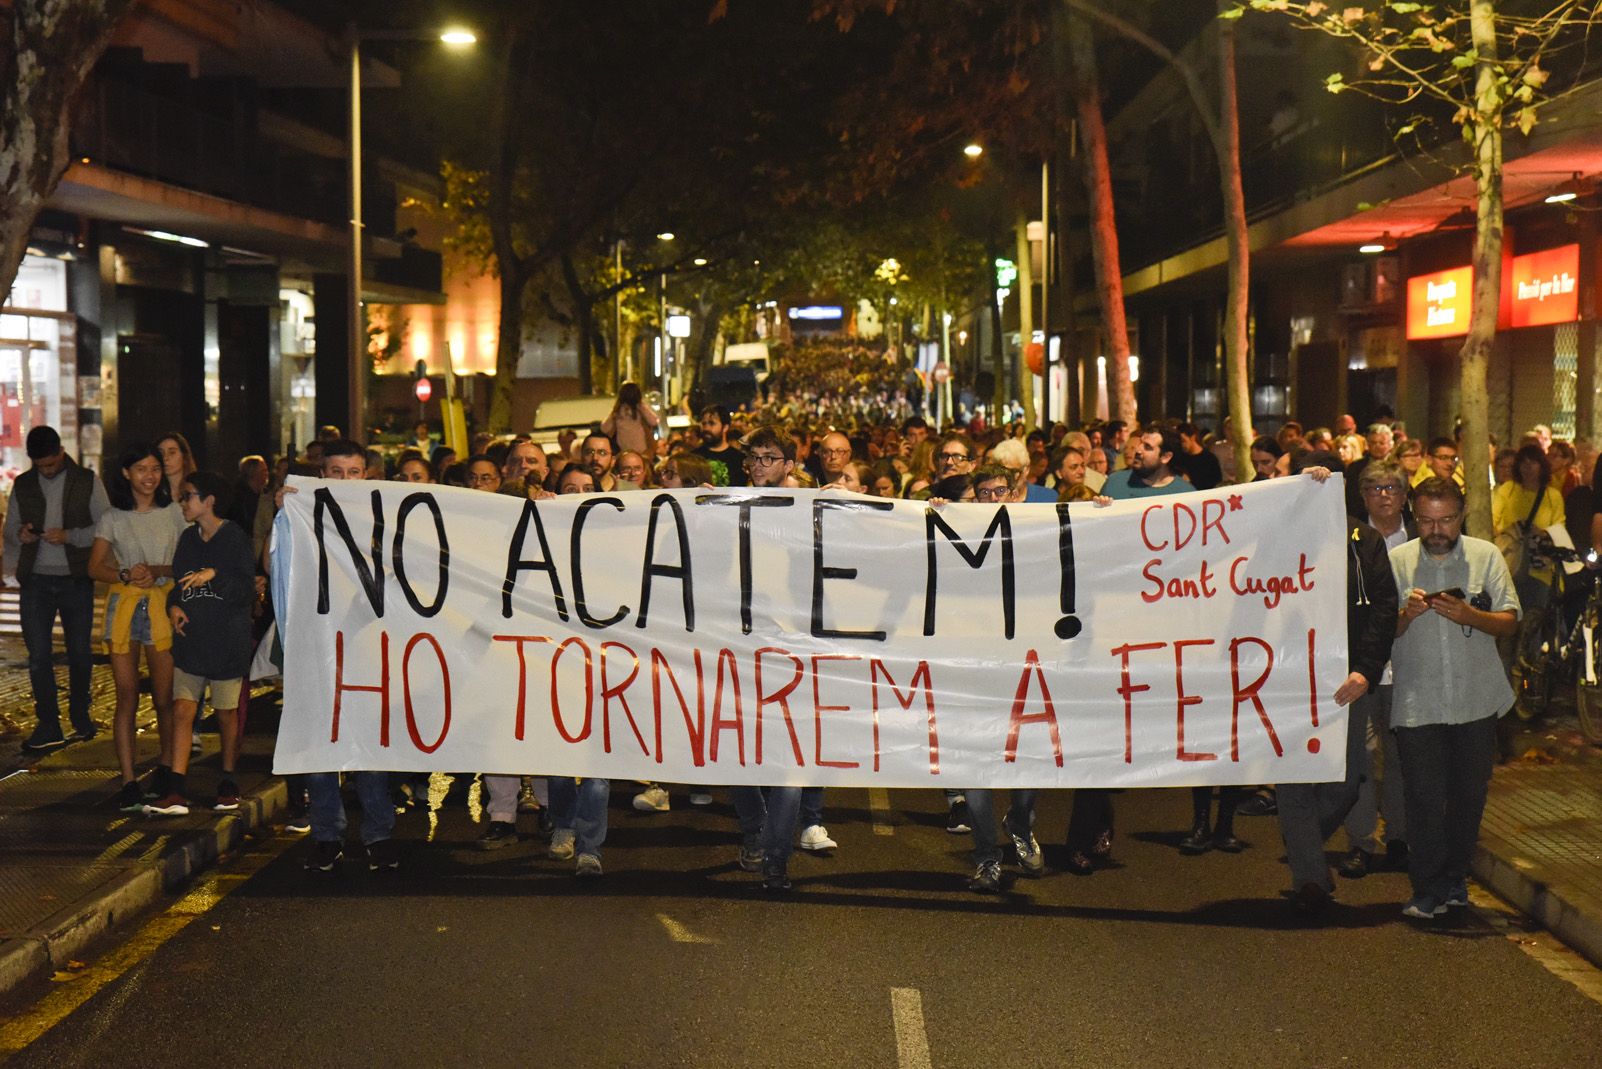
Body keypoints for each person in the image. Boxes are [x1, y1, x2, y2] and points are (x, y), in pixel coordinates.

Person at [1388, 477, 1519, 919]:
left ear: (1461, 515)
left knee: (1468, 797)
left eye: (1445, 519)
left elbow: (1508, 619)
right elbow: (1376, 632)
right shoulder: (1396, 562)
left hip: (1475, 699)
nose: (1436, 529)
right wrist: (1405, 616)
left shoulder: (1486, 556)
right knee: (1424, 798)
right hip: (1417, 701)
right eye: (1426, 520)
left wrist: (1471, 615)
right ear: (1414, 515)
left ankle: (1455, 878)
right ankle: (1426, 887)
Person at [1274, 454, 1399, 916]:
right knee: (1293, 779)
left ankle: (1300, 837)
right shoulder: (1274, 536)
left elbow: (1385, 608)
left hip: (1344, 682)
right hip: (1284, 678)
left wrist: (1365, 670)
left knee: (1346, 779)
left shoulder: (1361, 540)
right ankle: (1309, 875)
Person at [293, 441, 400, 874]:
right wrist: (288, 513)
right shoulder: (301, 518)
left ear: (365, 476)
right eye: (335, 472)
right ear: (322, 476)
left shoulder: (383, 521)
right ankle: (327, 835)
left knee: (369, 747)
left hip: (369, 648)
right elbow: (271, 562)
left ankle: (379, 835)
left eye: (353, 472)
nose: (344, 481)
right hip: (318, 646)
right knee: (322, 746)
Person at [148, 471, 257, 814]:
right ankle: (176, 788)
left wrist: (215, 575)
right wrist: (174, 607)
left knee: (226, 713)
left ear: (209, 500)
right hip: (192, 642)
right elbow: (178, 587)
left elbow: (245, 589)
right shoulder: (187, 539)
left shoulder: (235, 537)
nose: (183, 502)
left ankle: (227, 777)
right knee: (183, 709)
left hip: (226, 642)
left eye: (189, 496)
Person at [90, 443, 187, 811]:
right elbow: (95, 566)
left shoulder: (174, 514)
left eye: (155, 469)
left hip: (163, 606)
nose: (150, 476)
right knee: (126, 696)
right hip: (125, 607)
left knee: (165, 697)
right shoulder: (112, 517)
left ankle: (166, 768)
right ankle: (129, 779)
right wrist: (126, 573)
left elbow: (185, 562)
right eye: (142, 469)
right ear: (126, 474)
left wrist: (158, 571)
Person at [4, 426, 112, 752]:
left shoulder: (86, 481)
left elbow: (105, 526)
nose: (46, 471)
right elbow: (10, 528)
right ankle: (48, 722)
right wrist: (21, 535)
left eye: (50, 464)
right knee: (38, 656)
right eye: (40, 466)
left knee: (80, 653)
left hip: (75, 578)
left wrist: (70, 536)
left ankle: (80, 713)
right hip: (35, 580)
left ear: (61, 452)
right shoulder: (23, 484)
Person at [1338, 459, 1415, 879]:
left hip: (1407, 667)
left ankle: (1400, 837)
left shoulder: (1424, 535)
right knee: (1361, 757)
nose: (1384, 495)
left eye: (1392, 487)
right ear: (1362, 495)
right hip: (1361, 669)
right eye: (1374, 488)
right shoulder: (1348, 537)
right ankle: (1361, 842)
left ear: (1405, 495)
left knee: (1402, 754)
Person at [1102, 428, 1188, 499]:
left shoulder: (1185, 494)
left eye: (1147, 447)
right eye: (1140, 443)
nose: (1138, 450)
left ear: (1166, 457)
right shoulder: (1115, 483)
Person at [601, 382, 660, 457]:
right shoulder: (619, 411)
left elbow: (654, 421)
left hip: (637, 452)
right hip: (630, 451)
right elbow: (654, 421)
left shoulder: (637, 409)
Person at [695, 405, 748, 486]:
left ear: (725, 427)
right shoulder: (693, 458)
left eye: (711, 423)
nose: (706, 428)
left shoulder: (739, 459)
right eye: (703, 423)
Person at [1173, 422, 1223, 491]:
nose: (1182, 445)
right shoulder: (1179, 458)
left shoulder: (1209, 459)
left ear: (1192, 437)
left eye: (1183, 441)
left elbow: (1216, 483)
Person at [155, 431, 197, 506]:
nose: (165, 458)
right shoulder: (153, 494)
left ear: (184, 457)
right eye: (161, 453)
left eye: (172, 452)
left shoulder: (197, 491)